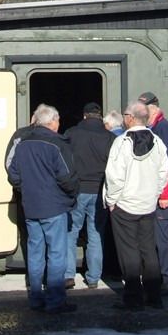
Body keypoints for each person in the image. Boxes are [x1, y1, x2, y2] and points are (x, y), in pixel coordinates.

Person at [6, 103, 79, 314]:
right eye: (58, 120)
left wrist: (26, 189)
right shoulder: (57, 144)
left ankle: (36, 297)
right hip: (54, 205)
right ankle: (55, 300)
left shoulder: (23, 144)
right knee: (56, 253)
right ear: (52, 122)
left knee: (35, 252)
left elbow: (13, 174)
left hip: (31, 205)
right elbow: (67, 177)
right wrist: (71, 194)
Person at [103, 100, 168, 310]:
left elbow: (114, 176)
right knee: (149, 250)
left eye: (125, 115)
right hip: (147, 205)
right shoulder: (158, 142)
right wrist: (154, 193)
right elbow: (163, 174)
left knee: (129, 251)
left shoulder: (121, 142)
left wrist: (111, 200)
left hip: (125, 205)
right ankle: (154, 296)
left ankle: (133, 297)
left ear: (130, 118)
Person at [139, 91, 168, 295]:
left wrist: (166, 194)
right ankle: (163, 277)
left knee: (163, 235)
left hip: (166, 192)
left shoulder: (163, 128)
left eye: (144, 109)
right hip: (158, 191)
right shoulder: (153, 128)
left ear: (154, 108)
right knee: (158, 235)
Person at [63, 102, 115, 289]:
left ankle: (68, 275)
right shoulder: (110, 137)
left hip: (77, 190)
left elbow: (64, 160)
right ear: (100, 116)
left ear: (84, 116)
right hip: (99, 190)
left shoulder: (71, 134)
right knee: (95, 234)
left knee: (70, 233)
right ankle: (93, 278)